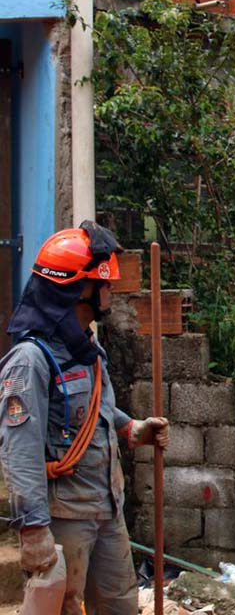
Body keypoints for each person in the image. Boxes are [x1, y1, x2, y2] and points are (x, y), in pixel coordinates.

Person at [0, 222, 170, 615]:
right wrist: (33, 530)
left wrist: (133, 429)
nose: (110, 290)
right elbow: (19, 450)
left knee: (121, 606)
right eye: (103, 283)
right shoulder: (30, 361)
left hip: (107, 506)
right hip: (64, 518)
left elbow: (96, 408)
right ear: (78, 289)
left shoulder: (86, 347)